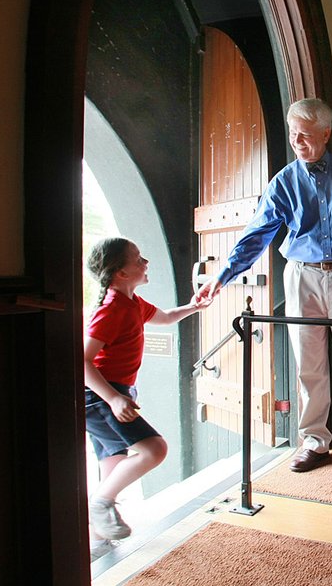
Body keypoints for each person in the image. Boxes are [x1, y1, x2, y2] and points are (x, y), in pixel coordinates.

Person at [195, 98, 332, 473]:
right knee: (308, 365)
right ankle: (315, 441)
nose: (297, 140)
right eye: (293, 132)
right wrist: (223, 275)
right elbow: (257, 234)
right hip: (302, 277)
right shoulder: (283, 181)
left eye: (306, 134)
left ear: (326, 134)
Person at [84, 237, 212, 561]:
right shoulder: (111, 308)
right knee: (154, 449)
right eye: (138, 259)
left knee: (113, 464)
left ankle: (97, 543)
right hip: (98, 394)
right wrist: (113, 398)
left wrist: (194, 306)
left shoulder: (132, 302)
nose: (146, 262)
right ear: (120, 272)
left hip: (114, 392)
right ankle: (98, 504)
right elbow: (82, 360)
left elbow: (166, 317)